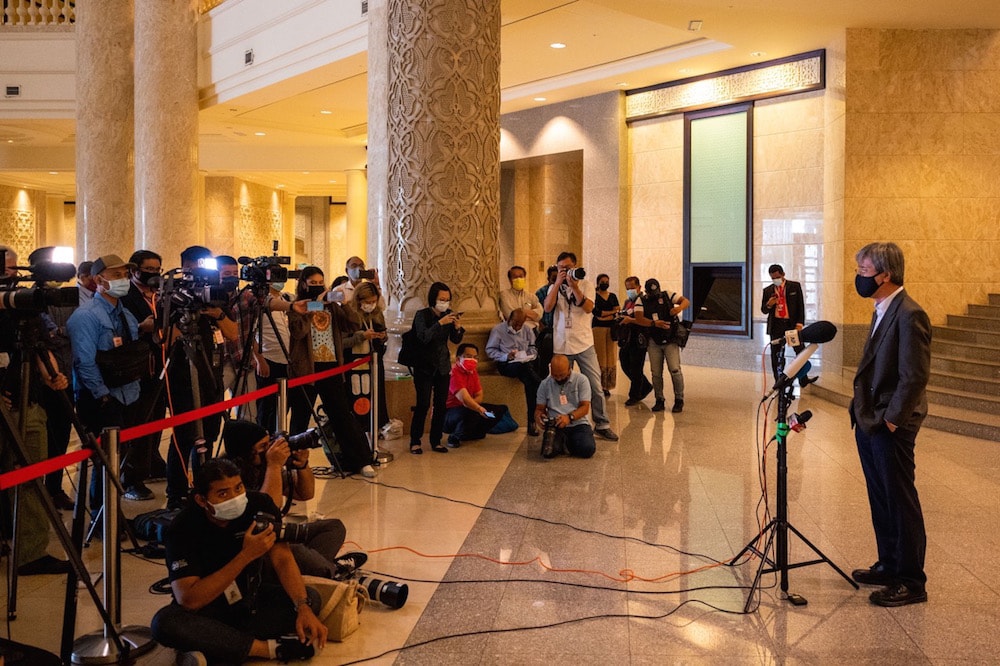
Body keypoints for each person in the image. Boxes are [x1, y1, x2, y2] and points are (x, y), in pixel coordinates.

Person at [150, 458, 327, 664]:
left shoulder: (259, 505)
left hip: (250, 599)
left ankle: (217, 647)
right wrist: (245, 555)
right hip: (208, 609)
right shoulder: (183, 527)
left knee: (311, 599)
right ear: (201, 500)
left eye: (238, 488)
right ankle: (268, 649)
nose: (234, 497)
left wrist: (302, 607)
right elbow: (189, 598)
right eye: (223, 493)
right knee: (164, 623)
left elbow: (283, 559)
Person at [848, 242, 930, 608]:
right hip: (870, 419)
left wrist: (893, 421)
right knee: (879, 496)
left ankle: (912, 580)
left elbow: (914, 377)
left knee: (900, 500)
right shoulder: (882, 309)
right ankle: (889, 564)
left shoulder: (911, 314)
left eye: (864, 272)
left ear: (886, 274)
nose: (859, 278)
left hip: (890, 422)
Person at [0, 244, 72, 575]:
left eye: (15, 269)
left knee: (29, 475)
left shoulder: (23, 307)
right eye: (7, 269)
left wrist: (53, 375)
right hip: (9, 404)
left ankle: (29, 550)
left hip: (26, 402)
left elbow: (39, 343)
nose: (12, 275)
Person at [221, 420, 367, 580]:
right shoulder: (231, 479)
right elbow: (269, 511)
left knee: (333, 528)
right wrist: (274, 466)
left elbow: (305, 493)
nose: (268, 449)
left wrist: (302, 464)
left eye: (268, 443)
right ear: (245, 452)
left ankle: (316, 569)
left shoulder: (262, 467)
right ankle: (330, 571)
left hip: (274, 535)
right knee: (295, 551)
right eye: (262, 447)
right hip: (255, 547)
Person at [66, 255, 151, 508]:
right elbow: (84, 362)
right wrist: (103, 396)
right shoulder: (86, 316)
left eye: (125, 274)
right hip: (101, 398)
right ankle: (101, 514)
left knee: (120, 457)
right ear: (98, 280)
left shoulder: (124, 312)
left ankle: (113, 512)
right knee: (105, 461)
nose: (122, 280)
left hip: (128, 392)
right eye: (116, 275)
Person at [163, 245, 239, 510]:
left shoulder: (214, 296)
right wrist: (181, 315)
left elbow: (233, 333)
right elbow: (165, 340)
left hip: (211, 374)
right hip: (183, 376)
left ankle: (203, 488)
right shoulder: (173, 296)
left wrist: (216, 314)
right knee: (184, 438)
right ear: (184, 266)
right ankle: (176, 494)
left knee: (208, 433)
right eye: (194, 266)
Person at [287, 266, 375, 477]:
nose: (318, 286)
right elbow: (298, 332)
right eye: (313, 283)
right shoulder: (297, 306)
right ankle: (294, 463)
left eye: (321, 282)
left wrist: (343, 304)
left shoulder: (333, 307)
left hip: (331, 366)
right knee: (300, 417)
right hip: (307, 368)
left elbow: (353, 324)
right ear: (303, 284)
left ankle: (360, 461)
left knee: (341, 415)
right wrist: (312, 307)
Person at [542, 252, 618, 441]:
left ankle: (602, 424)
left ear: (575, 266)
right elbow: (547, 308)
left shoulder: (586, 285)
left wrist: (574, 286)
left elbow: (589, 308)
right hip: (561, 344)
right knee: (560, 385)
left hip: (583, 343)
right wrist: (558, 283)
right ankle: (561, 419)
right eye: (561, 268)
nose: (564, 271)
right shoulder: (554, 287)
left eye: (567, 268)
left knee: (595, 385)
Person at [119, 249, 169, 487]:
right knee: (139, 421)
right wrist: (141, 327)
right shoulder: (125, 295)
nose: (153, 274)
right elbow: (119, 330)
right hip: (137, 366)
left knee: (157, 418)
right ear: (134, 270)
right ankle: (132, 476)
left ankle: (151, 461)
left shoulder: (160, 295)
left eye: (157, 270)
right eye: (148, 270)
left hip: (161, 364)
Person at [408, 281, 465, 454]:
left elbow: (455, 340)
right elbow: (423, 337)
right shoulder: (422, 315)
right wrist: (439, 323)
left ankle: (436, 440)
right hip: (424, 366)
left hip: (442, 366)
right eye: (441, 299)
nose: (444, 302)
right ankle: (415, 441)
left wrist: (457, 328)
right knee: (423, 404)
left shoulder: (448, 315)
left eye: (447, 299)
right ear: (433, 299)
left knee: (440, 404)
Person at [633, 278, 688, 413]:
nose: (655, 294)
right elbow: (639, 318)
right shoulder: (642, 301)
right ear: (646, 291)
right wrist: (654, 323)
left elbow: (686, 301)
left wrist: (679, 308)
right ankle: (659, 399)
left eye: (656, 290)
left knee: (675, 369)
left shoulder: (667, 295)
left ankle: (679, 399)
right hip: (653, 341)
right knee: (656, 373)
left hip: (671, 340)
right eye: (651, 292)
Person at [486, 309, 542, 436]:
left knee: (529, 383)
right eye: (515, 323)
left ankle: (531, 422)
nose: (517, 327)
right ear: (509, 319)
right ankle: (541, 384)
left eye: (520, 324)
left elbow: (533, 348)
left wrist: (528, 355)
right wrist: (507, 356)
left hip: (524, 363)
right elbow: (490, 351)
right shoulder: (498, 330)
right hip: (507, 363)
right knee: (529, 374)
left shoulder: (527, 330)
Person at [442, 343, 505, 448]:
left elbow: (479, 395)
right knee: (472, 411)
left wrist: (475, 406)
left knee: (499, 410)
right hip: (448, 413)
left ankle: (473, 433)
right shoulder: (454, 372)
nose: (472, 360)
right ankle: (455, 436)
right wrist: (477, 408)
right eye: (468, 356)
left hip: (468, 408)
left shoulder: (472, 372)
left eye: (475, 357)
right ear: (458, 358)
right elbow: (464, 399)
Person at [346, 281, 390, 432]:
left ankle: (374, 433)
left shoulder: (377, 314)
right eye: (367, 302)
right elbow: (341, 342)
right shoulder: (349, 315)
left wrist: (382, 336)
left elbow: (383, 336)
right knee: (357, 400)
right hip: (354, 366)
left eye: (373, 301)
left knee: (376, 401)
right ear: (358, 300)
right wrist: (362, 336)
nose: (370, 305)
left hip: (374, 364)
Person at [761, 264, 815, 387]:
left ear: (783, 274)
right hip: (776, 326)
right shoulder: (768, 290)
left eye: (777, 277)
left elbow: (800, 307)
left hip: (791, 325)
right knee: (776, 355)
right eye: (773, 278)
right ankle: (778, 381)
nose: (776, 280)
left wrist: (799, 324)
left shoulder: (794, 287)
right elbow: (764, 310)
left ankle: (803, 379)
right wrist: (769, 304)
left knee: (800, 352)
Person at [533, 355, 596, 459]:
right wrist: (539, 418)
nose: (558, 378)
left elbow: (585, 407)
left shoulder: (582, 380)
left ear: (569, 368)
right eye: (555, 375)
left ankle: (567, 442)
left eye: (562, 375)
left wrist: (569, 418)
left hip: (578, 423)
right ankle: (564, 443)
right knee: (548, 453)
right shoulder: (544, 384)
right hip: (556, 425)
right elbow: (539, 409)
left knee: (587, 449)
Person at [618, 276, 653, 407]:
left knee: (636, 367)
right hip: (627, 337)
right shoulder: (628, 301)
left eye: (632, 288)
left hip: (639, 338)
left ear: (639, 287)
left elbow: (644, 319)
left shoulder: (644, 301)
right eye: (627, 288)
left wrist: (630, 320)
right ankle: (645, 386)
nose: (630, 290)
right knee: (625, 362)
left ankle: (635, 395)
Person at [591, 273, 619, 397]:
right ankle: (599, 385)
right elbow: (597, 314)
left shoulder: (612, 296)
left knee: (611, 356)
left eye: (607, 281)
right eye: (602, 281)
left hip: (611, 329)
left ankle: (608, 386)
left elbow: (617, 310)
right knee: (600, 356)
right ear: (598, 282)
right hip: (598, 329)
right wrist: (611, 314)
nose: (605, 283)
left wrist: (607, 315)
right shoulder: (594, 296)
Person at [498, 265, 542, 329]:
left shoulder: (531, 296)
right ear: (510, 280)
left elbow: (539, 315)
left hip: (532, 330)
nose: (518, 279)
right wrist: (530, 314)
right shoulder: (504, 295)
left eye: (521, 276)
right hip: (514, 331)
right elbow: (510, 315)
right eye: (515, 277)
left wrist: (520, 312)